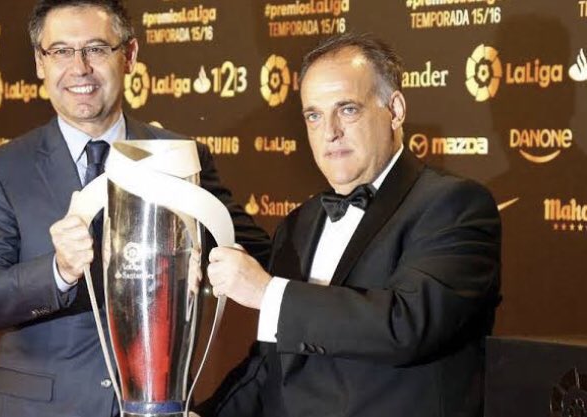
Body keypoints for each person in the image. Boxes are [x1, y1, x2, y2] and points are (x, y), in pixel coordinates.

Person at [0, 1, 270, 416]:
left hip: (157, 404)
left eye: (96, 49)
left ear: (130, 55)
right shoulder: (2, 169)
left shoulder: (180, 156)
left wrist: (209, 263)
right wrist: (59, 271)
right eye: (61, 51)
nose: (80, 68)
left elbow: (254, 259)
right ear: (39, 62)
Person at [200, 33, 501, 417]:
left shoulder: (453, 205)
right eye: (314, 115)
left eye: (347, 109)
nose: (330, 132)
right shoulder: (299, 223)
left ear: (395, 110)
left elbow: (407, 325)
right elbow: (269, 367)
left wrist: (268, 293)